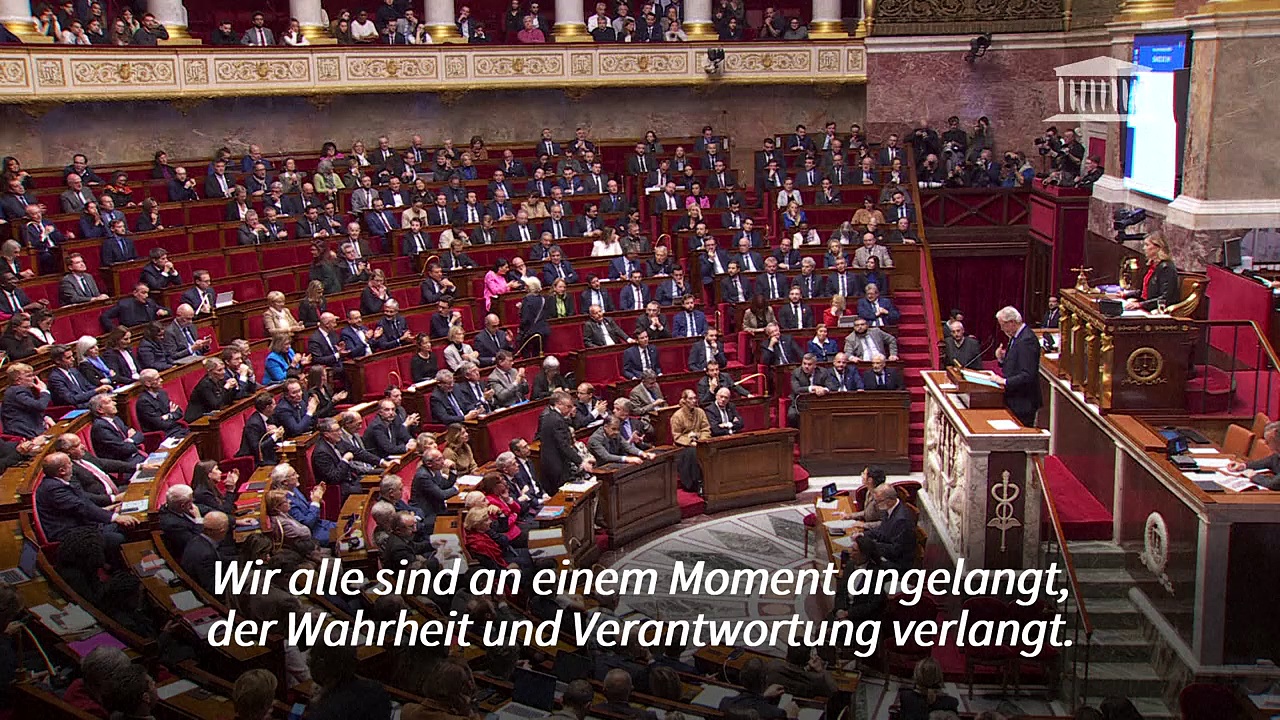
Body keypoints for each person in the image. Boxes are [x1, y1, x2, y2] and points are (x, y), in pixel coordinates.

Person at [35, 453, 139, 557]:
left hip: (83, 524)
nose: (72, 465)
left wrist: (105, 510)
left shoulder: (58, 483)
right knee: (123, 532)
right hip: (72, 535)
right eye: (69, 463)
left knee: (128, 524)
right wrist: (115, 517)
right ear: (62, 471)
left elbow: (83, 502)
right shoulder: (54, 489)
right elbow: (81, 507)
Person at [994, 306, 1042, 427]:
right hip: (1014, 398)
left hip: (1023, 402)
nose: (1001, 329)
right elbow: (1016, 364)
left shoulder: (1027, 340)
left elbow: (1027, 374)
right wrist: (1002, 359)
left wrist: (1004, 381)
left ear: (1012, 322)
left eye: (1003, 325)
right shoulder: (1016, 336)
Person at [538, 391, 588, 494]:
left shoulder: (549, 415)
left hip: (550, 463)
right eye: (568, 406)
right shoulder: (557, 420)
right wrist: (580, 461)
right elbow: (563, 445)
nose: (570, 409)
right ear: (559, 404)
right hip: (556, 465)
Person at [860, 483, 917, 570]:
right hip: (888, 553)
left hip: (897, 563)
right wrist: (863, 534)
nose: (876, 504)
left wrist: (870, 545)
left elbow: (895, 550)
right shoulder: (889, 509)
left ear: (889, 501)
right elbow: (881, 531)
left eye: (878, 501)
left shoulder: (901, 520)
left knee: (860, 561)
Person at [1121, 233, 1180, 311]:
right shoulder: (1154, 265)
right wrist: (1125, 294)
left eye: (1147, 245)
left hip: (1160, 310)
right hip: (1148, 306)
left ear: (1158, 247)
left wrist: (1140, 304)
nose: (1144, 248)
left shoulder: (1166, 268)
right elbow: (1145, 292)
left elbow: (1165, 298)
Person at [670, 389, 710, 492]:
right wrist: (690, 442)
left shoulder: (700, 412)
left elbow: (706, 429)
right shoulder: (677, 416)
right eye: (690, 399)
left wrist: (701, 441)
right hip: (683, 446)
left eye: (695, 398)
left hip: (700, 442)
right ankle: (695, 483)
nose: (694, 401)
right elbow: (677, 436)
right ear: (684, 400)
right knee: (692, 452)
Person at [1225, 421, 1280, 488]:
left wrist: (1254, 476)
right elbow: (1269, 461)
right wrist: (1244, 466)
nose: (1265, 443)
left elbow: (1273, 484)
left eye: (1268, 441)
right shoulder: (1277, 454)